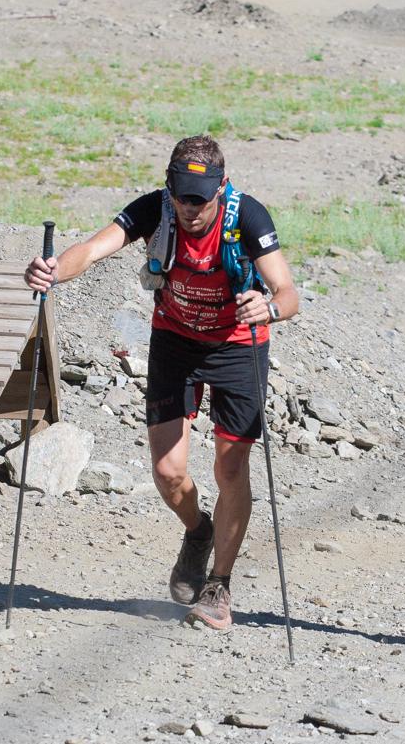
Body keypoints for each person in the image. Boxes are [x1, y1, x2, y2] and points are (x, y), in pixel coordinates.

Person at [25, 135, 298, 630]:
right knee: (169, 473)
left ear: (222, 188)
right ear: (169, 186)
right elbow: (92, 249)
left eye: (201, 197)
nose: (190, 207)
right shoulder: (158, 210)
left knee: (231, 468)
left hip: (238, 345)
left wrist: (271, 308)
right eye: (182, 194)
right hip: (175, 340)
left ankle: (218, 585)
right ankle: (199, 531)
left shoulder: (248, 217)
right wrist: (53, 272)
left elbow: (287, 291)